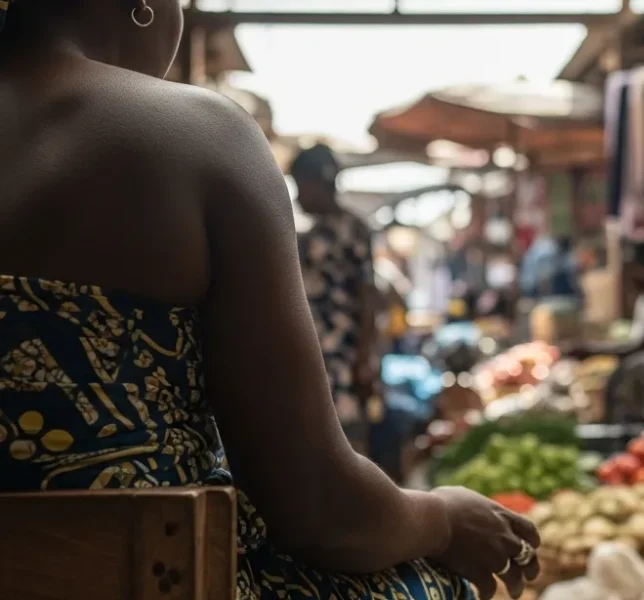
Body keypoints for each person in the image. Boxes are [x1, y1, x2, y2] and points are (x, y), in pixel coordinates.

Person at [0, 2, 538, 600]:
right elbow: (318, 509)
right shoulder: (196, 132)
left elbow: (365, 297)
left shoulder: (342, 228)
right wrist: (444, 520)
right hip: (152, 574)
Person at [292, 144, 376, 456]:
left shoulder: (352, 229)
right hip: (313, 353)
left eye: (301, 185)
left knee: (346, 439)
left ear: (319, 182)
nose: (299, 196)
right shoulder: (308, 234)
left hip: (343, 354)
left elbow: (368, 295)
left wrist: (364, 358)